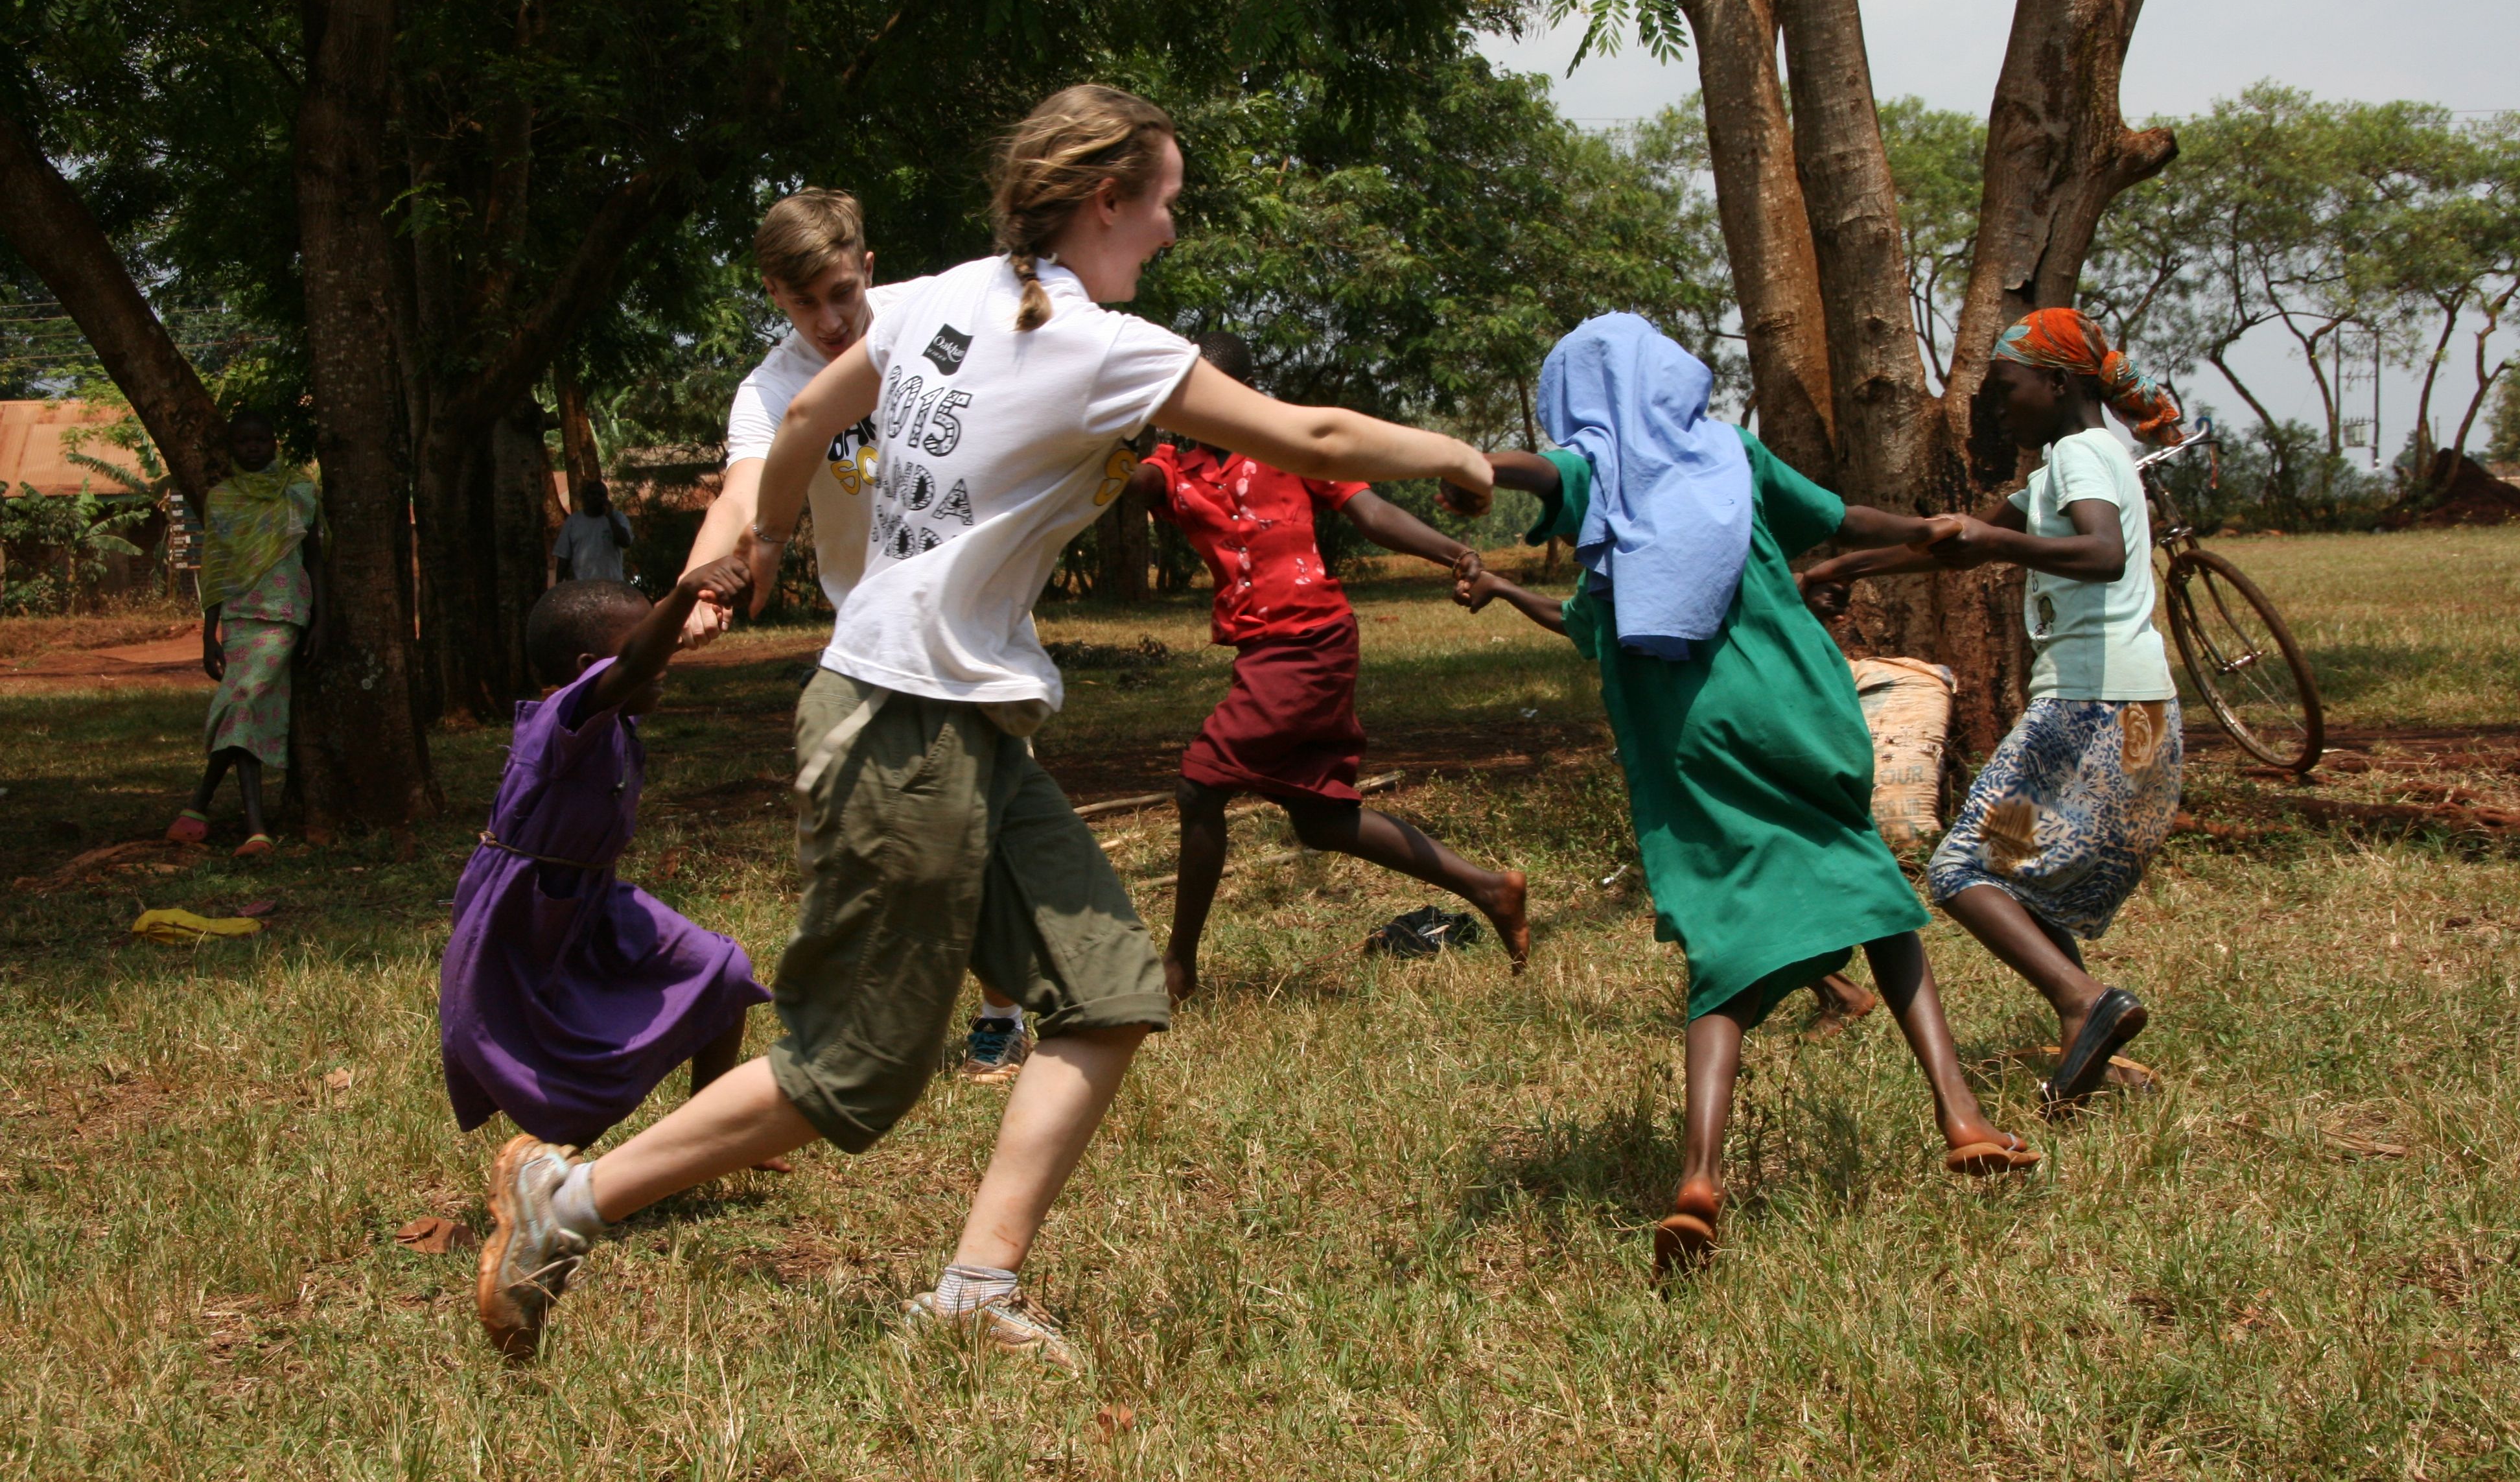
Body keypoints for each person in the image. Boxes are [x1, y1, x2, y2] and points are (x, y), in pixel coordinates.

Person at [473, 84, 1496, 1367]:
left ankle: (976, 1289)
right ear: (1105, 201)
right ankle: (567, 1203)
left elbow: (801, 422)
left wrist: (773, 537)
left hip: (961, 722)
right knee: (855, 1066)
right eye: (1165, 203)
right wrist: (1455, 454)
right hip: (905, 729)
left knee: (1109, 992)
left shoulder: (943, 294)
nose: (1172, 231)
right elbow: (1313, 435)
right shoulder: (1098, 346)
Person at [1451, 313, 2040, 1276]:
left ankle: (1699, 1176)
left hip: (1694, 747)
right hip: (1799, 711)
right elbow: (1846, 522)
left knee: (1723, 943)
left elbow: (1540, 480)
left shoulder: (1603, 489)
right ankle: (1963, 1114)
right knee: (1881, 904)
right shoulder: (1731, 455)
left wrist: (1473, 468)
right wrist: (1936, 535)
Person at [675, 188, 1029, 1083]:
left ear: (867, 267)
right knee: (892, 828)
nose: (831, 321)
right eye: (805, 304)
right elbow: (742, 494)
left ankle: (1001, 1003)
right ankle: (911, 1008)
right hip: (871, 635)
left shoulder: (935, 311)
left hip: (979, 612)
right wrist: (692, 590)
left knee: (979, 822)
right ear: (774, 296)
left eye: (842, 292)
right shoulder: (773, 389)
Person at [1798, 308, 2185, 1111]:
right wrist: (1847, 563)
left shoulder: (2080, 452)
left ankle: (2084, 1004)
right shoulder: (2064, 471)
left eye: (2009, 391)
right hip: (2137, 716)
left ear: (2058, 382)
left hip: (2092, 712)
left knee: (1965, 868)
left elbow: (2102, 554)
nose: (2000, 409)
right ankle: (2093, 1045)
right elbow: (1948, 542)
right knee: (2018, 875)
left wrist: (1996, 544)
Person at [1129, 331, 1529, 1000]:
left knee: (1201, 785)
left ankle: (1178, 969)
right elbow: (1130, 483)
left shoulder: (1286, 442)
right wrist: (1105, 431)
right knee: (1321, 820)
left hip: (1310, 640)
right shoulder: (1175, 466)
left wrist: (1455, 553)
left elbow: (1370, 511)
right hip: (1264, 649)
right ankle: (1490, 889)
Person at [440, 561, 778, 1159]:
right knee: (559, 1065)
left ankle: (711, 1138)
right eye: (649, 643)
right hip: (527, 906)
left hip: (594, 897)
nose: (663, 661)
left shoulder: (614, 716)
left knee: (723, 972)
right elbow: (635, 664)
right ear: (584, 669)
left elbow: (641, 659)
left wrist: (688, 623)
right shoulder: (565, 713)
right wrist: (678, 596)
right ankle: (552, 1167)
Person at [165, 410, 323, 857]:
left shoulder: (299, 491)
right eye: (243, 441)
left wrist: (322, 621)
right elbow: (215, 568)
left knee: (242, 702)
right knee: (244, 710)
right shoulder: (222, 499)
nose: (253, 447)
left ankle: (211, 809)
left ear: (275, 442)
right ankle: (244, 826)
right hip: (237, 617)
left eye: (261, 439)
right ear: (232, 448)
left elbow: (315, 558)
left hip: (285, 614)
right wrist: (207, 634)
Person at [552, 478, 634, 583]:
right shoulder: (573, 521)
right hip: (583, 586)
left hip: (612, 586)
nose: (596, 498)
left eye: (601, 495)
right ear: (585, 496)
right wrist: (558, 586)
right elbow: (564, 557)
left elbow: (625, 542)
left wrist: (610, 517)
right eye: (593, 494)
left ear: (607, 499)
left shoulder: (618, 517)